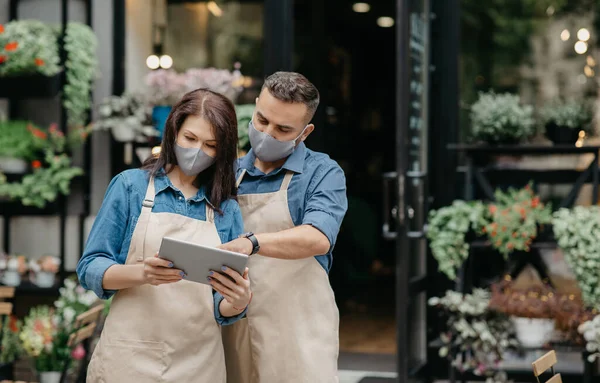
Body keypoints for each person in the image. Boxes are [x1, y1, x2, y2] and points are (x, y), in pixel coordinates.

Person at [77, 89, 252, 383]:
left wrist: (238, 300)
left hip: (199, 364)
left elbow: (221, 304)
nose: (198, 150)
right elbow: (90, 267)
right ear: (172, 132)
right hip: (129, 360)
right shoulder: (130, 187)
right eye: (190, 139)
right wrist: (142, 273)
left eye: (211, 145)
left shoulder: (226, 210)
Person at [220, 72, 348, 383]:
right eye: (262, 121)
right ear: (254, 108)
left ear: (305, 132)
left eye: (283, 129)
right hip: (232, 325)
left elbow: (317, 237)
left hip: (298, 333)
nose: (267, 133)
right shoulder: (226, 174)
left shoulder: (322, 173)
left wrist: (252, 242)